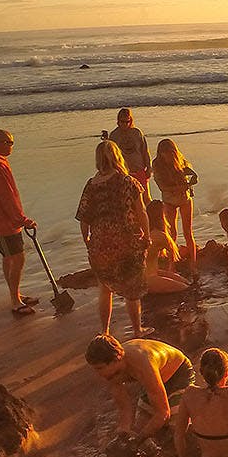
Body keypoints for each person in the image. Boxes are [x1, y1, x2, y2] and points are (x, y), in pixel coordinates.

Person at [77, 140, 150, 337]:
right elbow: (141, 212)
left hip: (100, 243)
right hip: (127, 241)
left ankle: (105, 331)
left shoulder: (90, 185)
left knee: (105, 288)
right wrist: (147, 235)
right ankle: (137, 330)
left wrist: (88, 240)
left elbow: (84, 217)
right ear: (118, 157)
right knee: (132, 289)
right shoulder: (128, 182)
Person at [86, 334, 193, 447]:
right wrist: (123, 431)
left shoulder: (142, 364)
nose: (98, 374)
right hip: (153, 380)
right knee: (140, 426)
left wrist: (138, 440)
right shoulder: (111, 372)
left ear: (116, 359)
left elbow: (163, 413)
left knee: (178, 428)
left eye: (100, 368)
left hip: (178, 373)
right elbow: (124, 408)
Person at [0, 130, 38, 316]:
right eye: (8, 142)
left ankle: (16, 294)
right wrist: (23, 220)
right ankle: (15, 300)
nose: (11, 146)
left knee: (9, 258)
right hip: (3, 223)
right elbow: (7, 198)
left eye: (12, 142)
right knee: (17, 258)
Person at [152, 138, 198, 271]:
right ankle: (171, 265)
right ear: (160, 153)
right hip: (169, 199)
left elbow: (191, 176)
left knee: (188, 232)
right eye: (164, 153)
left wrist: (191, 181)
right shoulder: (157, 164)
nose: (167, 156)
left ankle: (193, 264)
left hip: (184, 198)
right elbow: (162, 187)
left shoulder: (180, 161)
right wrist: (178, 188)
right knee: (172, 233)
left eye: (170, 153)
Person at [144, 200, 189, 294]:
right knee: (185, 288)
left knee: (185, 282)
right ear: (161, 216)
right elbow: (174, 254)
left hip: (147, 274)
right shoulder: (160, 236)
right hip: (150, 278)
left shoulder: (145, 233)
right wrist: (171, 269)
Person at [109, 108, 151, 196]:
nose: (124, 124)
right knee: (127, 199)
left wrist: (149, 167)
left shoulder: (137, 133)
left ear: (130, 120)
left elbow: (145, 151)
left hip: (139, 169)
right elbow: (111, 156)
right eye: (122, 122)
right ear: (118, 121)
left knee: (145, 197)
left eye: (127, 122)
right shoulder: (114, 135)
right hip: (123, 172)